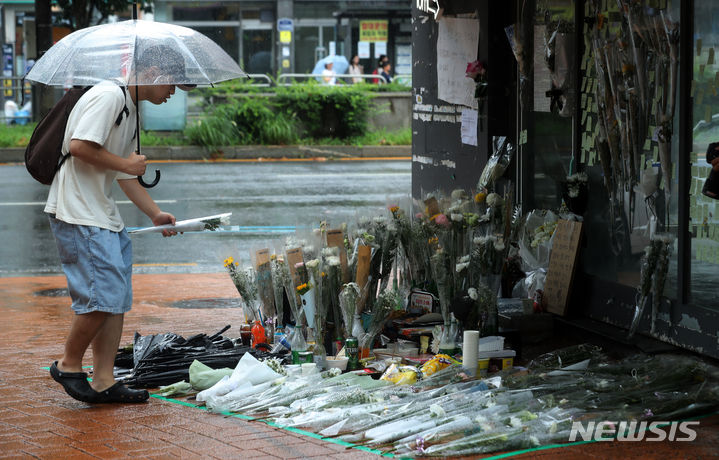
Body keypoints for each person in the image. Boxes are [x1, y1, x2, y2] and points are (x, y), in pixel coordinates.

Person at [46, 44, 192, 404]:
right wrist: (127, 165)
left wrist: (154, 213)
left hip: (101, 212)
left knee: (116, 299)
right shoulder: (109, 95)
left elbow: (122, 173)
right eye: (172, 84)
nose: (173, 93)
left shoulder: (129, 107)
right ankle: (68, 365)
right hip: (78, 211)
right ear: (153, 72)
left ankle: (104, 380)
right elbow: (80, 146)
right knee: (101, 297)